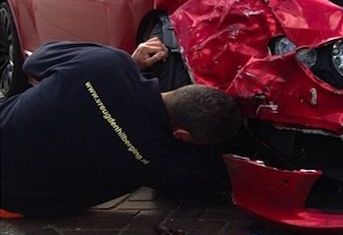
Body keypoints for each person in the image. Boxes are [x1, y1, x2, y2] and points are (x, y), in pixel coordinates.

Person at [0, 39, 243, 218]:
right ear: (182, 135)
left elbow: (33, 62)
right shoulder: (166, 163)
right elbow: (214, 182)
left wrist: (131, 62)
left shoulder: (106, 64)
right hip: (13, 202)